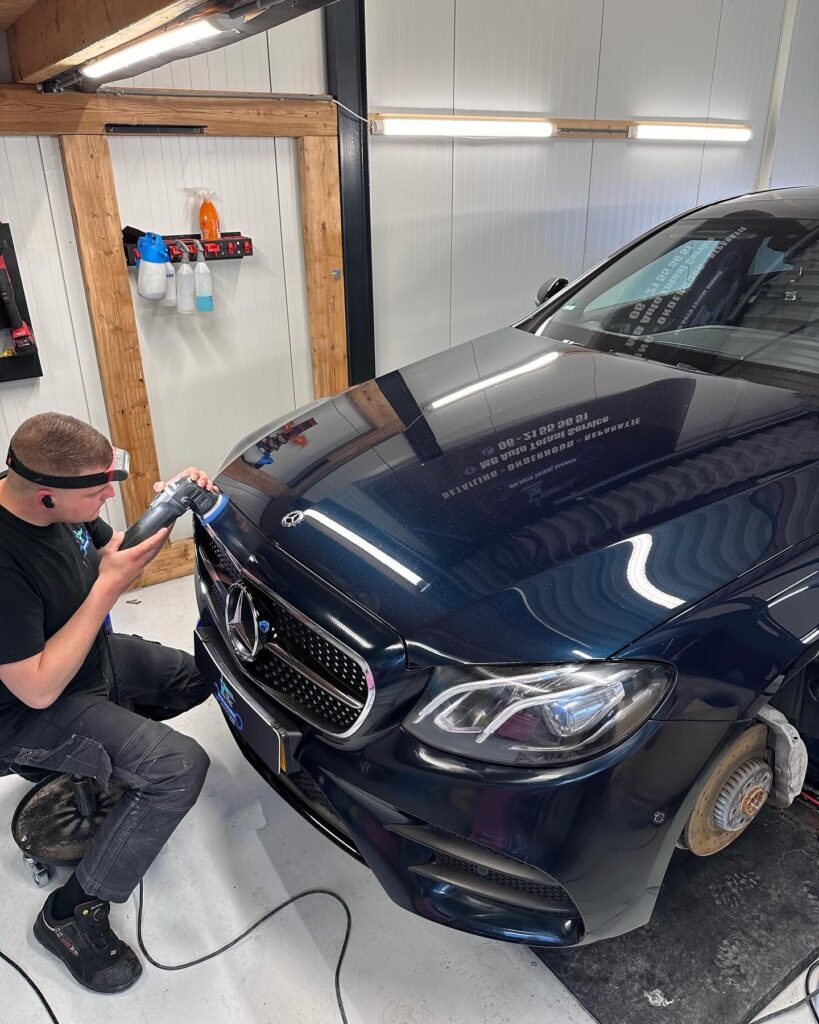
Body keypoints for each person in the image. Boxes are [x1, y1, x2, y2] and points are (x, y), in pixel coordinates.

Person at [0, 412, 215, 994]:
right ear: (47, 496)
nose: (110, 496)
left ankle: (113, 758)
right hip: (24, 708)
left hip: (81, 660)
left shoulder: (61, 506)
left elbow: (114, 553)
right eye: (99, 489)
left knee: (199, 677)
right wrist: (107, 587)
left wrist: (172, 506)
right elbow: (36, 688)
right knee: (178, 767)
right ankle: (69, 914)